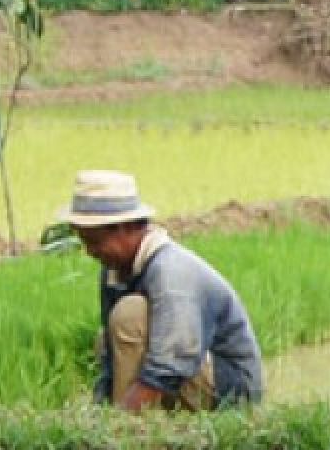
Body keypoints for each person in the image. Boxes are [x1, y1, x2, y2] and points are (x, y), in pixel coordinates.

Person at [57, 170, 263, 412]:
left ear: (123, 228)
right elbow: (112, 361)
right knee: (107, 338)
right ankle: (132, 423)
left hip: (231, 390)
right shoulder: (115, 270)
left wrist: (119, 421)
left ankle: (131, 431)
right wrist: (100, 411)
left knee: (130, 315)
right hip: (187, 370)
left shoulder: (170, 272)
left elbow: (171, 365)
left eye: (95, 242)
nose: (90, 252)